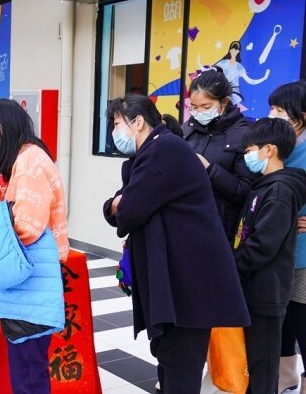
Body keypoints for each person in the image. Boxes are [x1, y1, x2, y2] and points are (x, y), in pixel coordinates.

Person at [103, 94, 250, 393]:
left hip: (188, 281)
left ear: (138, 122)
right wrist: (116, 205)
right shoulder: (151, 152)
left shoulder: (163, 149)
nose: (115, 132)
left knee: (181, 362)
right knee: (169, 355)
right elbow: (121, 204)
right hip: (176, 279)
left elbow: (129, 209)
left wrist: (118, 204)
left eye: (117, 124)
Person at [0, 99, 67, 394]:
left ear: (0, 130)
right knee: (29, 368)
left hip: (30, 288)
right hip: (31, 288)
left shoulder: (28, 162)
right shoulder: (28, 157)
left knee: (27, 374)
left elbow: (24, 226)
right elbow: (11, 215)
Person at [234, 118, 306, 394]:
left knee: (262, 366)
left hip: (266, 291)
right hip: (255, 288)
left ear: (268, 150)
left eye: (249, 150)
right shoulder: (265, 185)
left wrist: (232, 268)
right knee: (255, 363)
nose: (246, 156)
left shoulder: (279, 191)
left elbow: (263, 245)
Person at [183, 67, 259, 244]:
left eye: (206, 107)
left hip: (221, 229)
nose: (199, 112)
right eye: (194, 107)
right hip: (184, 220)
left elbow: (244, 190)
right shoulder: (187, 129)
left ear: (224, 102)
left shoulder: (244, 134)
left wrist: (209, 169)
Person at [268, 81, 306, 394]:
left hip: (304, 253)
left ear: (301, 115)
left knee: (303, 318)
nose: (272, 115)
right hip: (277, 249)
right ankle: (286, 375)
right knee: (281, 316)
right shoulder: (281, 144)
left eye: (279, 109)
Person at [213, 40, 270, 105]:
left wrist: (264, 78)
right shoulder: (222, 63)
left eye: (236, 50)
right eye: (232, 50)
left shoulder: (239, 66)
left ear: (238, 51)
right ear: (230, 50)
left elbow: (250, 81)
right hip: (221, 92)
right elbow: (212, 71)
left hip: (233, 94)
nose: (234, 51)